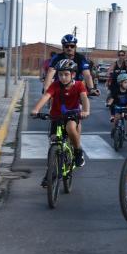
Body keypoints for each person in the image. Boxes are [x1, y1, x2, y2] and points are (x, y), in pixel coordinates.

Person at [31, 59, 90, 187]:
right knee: (53, 142)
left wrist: (85, 111)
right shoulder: (55, 85)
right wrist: (36, 109)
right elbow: (46, 97)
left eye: (66, 74)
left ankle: (78, 151)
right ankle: (50, 173)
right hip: (56, 116)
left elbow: (84, 97)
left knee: (70, 127)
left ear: (73, 75)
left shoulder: (79, 84)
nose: (63, 77)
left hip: (73, 114)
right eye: (60, 74)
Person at [106, 73, 127, 140]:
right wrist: (109, 103)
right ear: (120, 83)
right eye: (125, 82)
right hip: (118, 107)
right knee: (116, 118)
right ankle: (113, 130)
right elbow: (112, 99)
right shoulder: (116, 90)